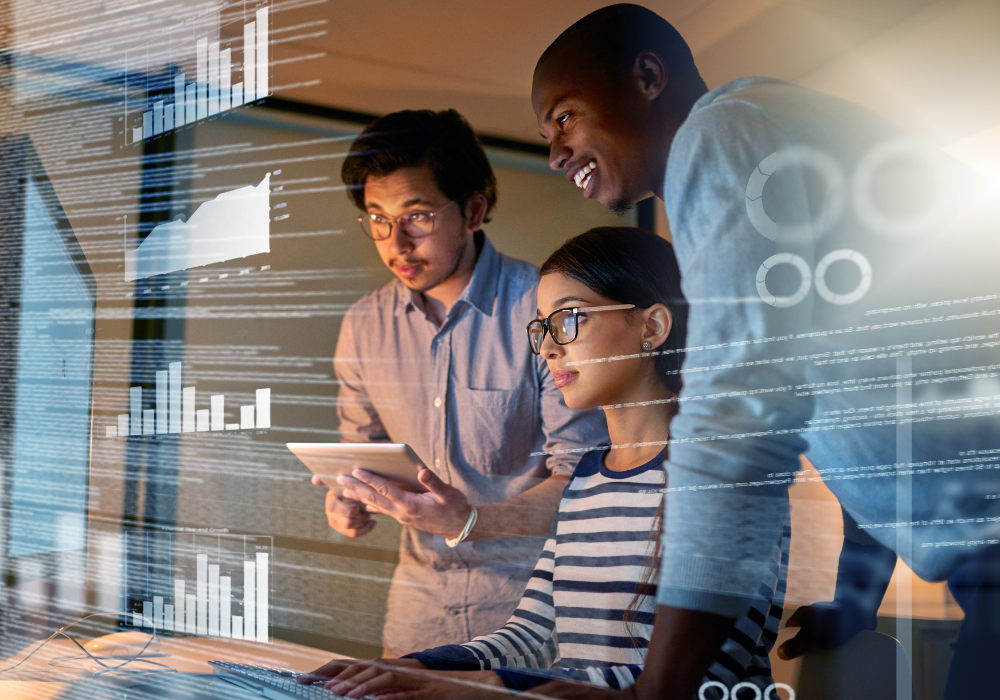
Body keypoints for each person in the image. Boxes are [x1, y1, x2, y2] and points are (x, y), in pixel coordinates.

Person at [530, 4, 1000, 699]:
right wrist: (856, 600)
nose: (556, 153)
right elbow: (868, 419)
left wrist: (658, 690)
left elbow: (739, 423)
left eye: (565, 117)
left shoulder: (722, 133)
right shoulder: (771, 130)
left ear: (649, 76)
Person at [300, 227, 789, 699]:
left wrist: (481, 688)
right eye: (542, 328)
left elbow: (703, 680)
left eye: (570, 319)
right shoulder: (586, 478)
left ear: (652, 327)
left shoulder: (731, 477)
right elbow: (530, 635)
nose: (549, 348)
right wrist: (415, 666)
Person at [325, 109, 608, 656]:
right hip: (418, 613)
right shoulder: (364, 325)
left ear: (474, 210)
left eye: (417, 217)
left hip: (532, 615)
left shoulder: (543, 308)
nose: (396, 243)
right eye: (378, 218)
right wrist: (349, 501)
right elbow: (363, 457)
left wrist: (469, 520)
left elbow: (585, 480)